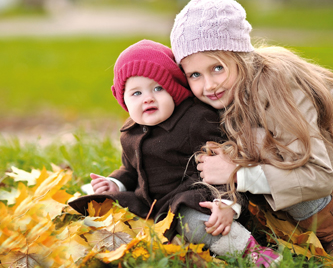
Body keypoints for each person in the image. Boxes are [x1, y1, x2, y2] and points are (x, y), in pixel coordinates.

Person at [170, 0, 333, 267]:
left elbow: (319, 175)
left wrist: (238, 173)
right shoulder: (229, 89)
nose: (208, 85)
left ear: (240, 56)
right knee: (234, 144)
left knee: (253, 142)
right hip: (314, 166)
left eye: (217, 68)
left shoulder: (276, 83)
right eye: (195, 75)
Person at [68, 40, 281, 267]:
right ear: (123, 99)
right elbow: (129, 170)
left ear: (175, 89)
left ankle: (252, 251)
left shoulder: (195, 120)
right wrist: (115, 183)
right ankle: (106, 248)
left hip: (192, 197)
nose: (148, 98)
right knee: (103, 207)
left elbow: (223, 166)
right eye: (136, 93)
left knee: (197, 223)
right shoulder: (130, 133)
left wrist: (227, 203)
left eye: (158, 88)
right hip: (150, 204)